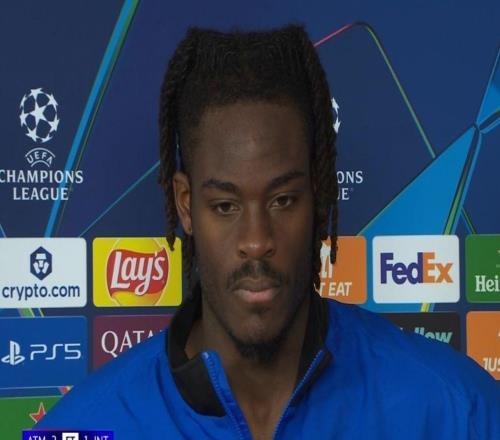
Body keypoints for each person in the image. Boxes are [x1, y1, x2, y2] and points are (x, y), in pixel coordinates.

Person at [36, 25, 499, 439]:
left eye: (283, 200)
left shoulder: (459, 413)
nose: (256, 241)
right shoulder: (86, 426)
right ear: (186, 206)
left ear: (318, 195)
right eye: (225, 206)